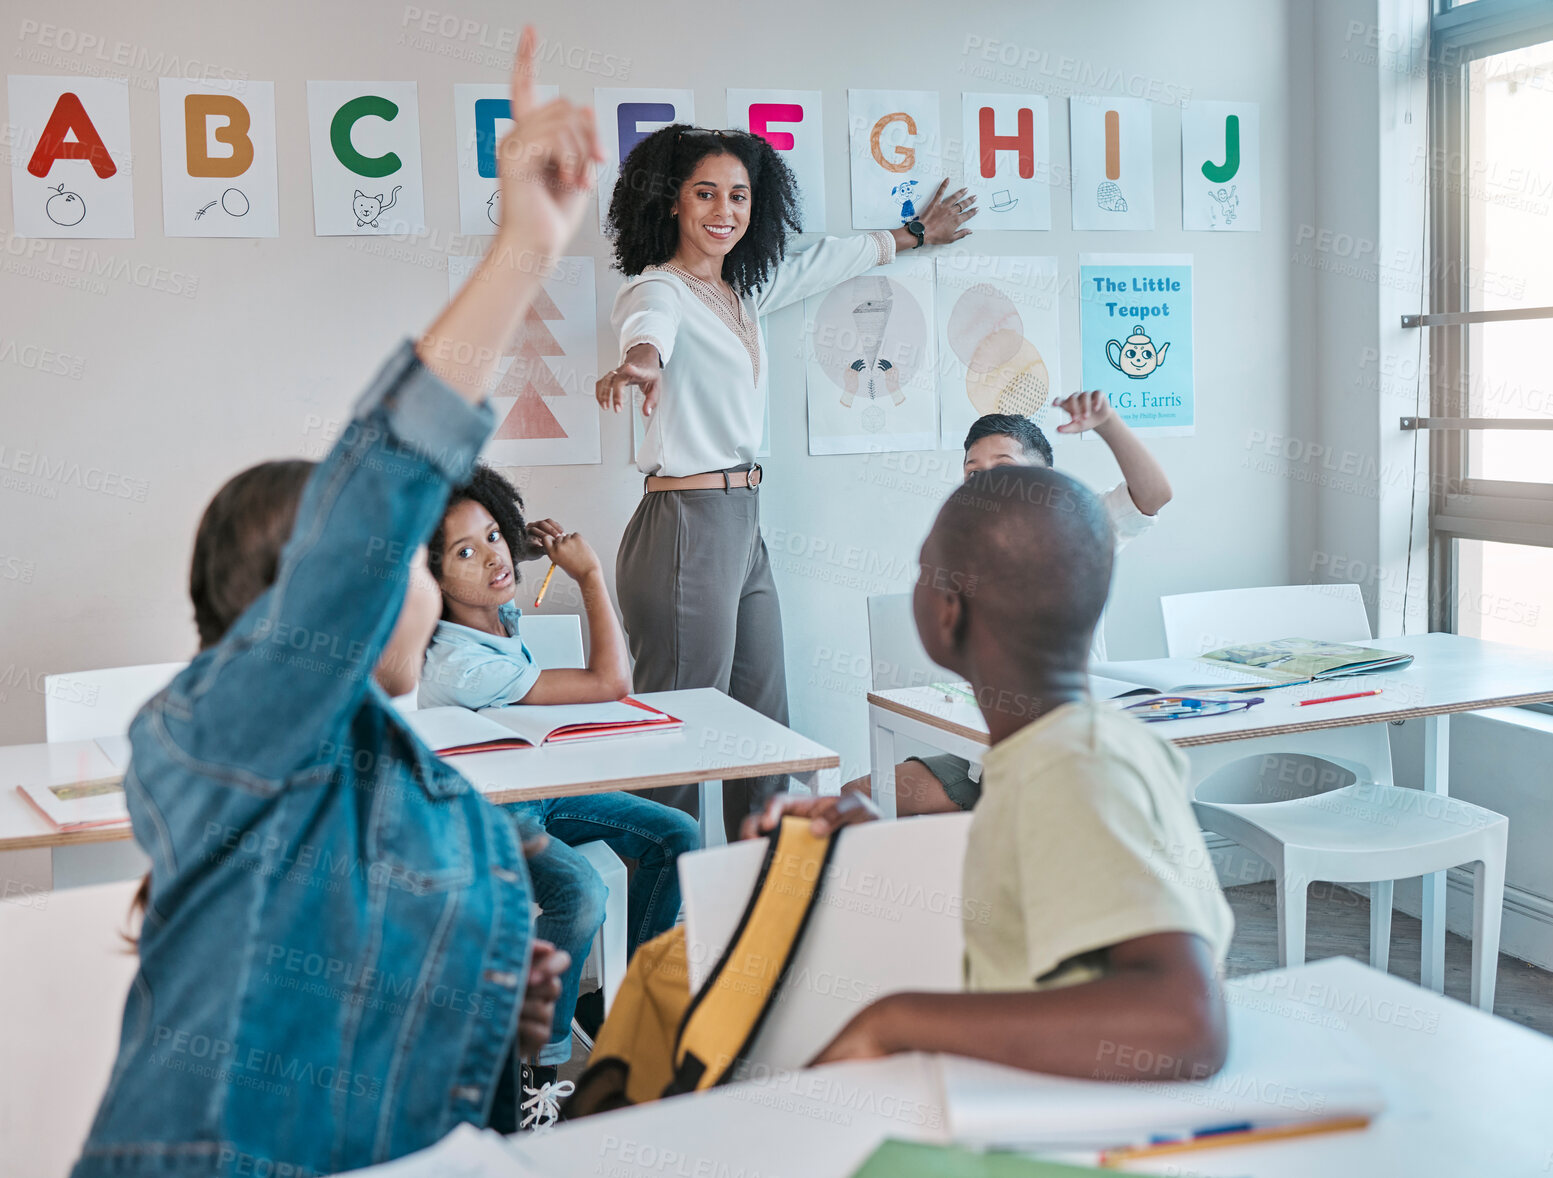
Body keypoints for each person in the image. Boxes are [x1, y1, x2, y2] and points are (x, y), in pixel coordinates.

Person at [73, 29, 600, 1173]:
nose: (417, 573)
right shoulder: (224, 733)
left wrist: (490, 997)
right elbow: (371, 509)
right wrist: (521, 249)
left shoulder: (421, 790)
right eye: (406, 558)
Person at [595, 126, 975, 832]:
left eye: (738, 195)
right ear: (670, 203)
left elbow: (825, 262)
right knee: (678, 735)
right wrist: (643, 361)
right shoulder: (658, 289)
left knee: (764, 728)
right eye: (704, 192)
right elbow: (646, 326)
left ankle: (768, 890)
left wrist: (914, 233)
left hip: (742, 522)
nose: (723, 210)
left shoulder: (741, 291)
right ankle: (663, 908)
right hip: (684, 524)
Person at [810, 466, 1234, 1081]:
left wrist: (895, 1020)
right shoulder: (1068, 746)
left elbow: (1187, 1021)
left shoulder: (1070, 766)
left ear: (949, 611)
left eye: (923, 571)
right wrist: (880, 840)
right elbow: (1031, 883)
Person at [419, 463, 699, 1097]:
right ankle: (534, 1065)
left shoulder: (496, 617)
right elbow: (609, 684)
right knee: (579, 893)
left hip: (533, 790)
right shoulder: (457, 660)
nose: (494, 558)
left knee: (676, 835)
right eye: (466, 551)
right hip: (484, 812)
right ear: (433, 574)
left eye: (494, 535)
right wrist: (591, 575)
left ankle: (629, 1015)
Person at [849, 389, 1174, 814]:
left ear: (1048, 478)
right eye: (973, 473)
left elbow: (1152, 496)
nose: (987, 485)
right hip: (982, 758)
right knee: (853, 799)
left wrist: (1108, 424)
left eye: (1004, 469)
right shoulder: (963, 543)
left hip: (1060, 752)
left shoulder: (1073, 528)